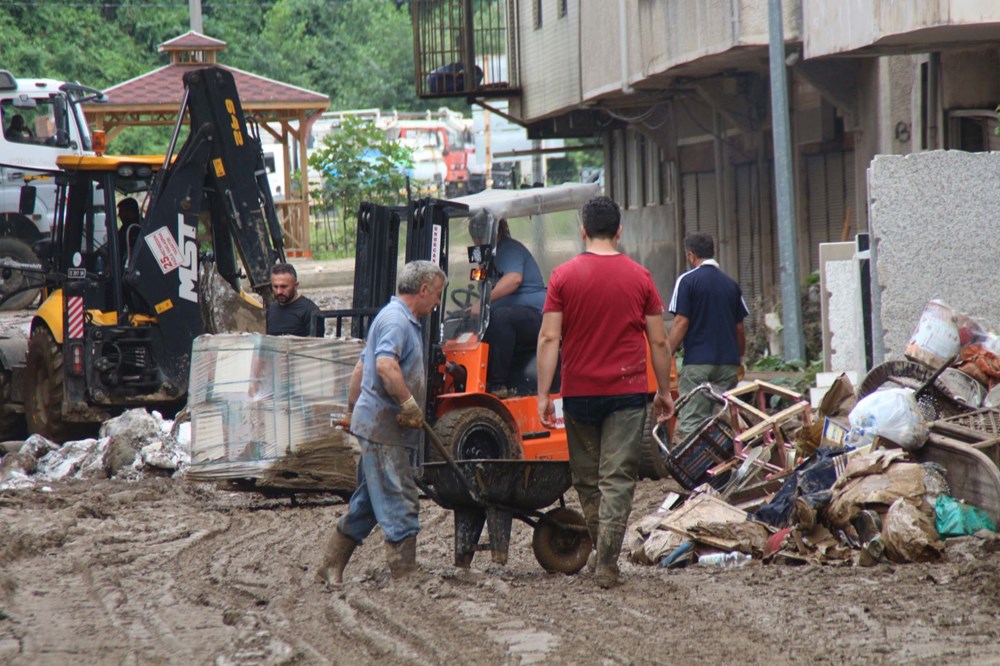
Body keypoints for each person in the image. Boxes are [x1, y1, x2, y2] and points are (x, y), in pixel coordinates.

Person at [536, 196, 675, 589]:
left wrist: (544, 394)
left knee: (588, 478)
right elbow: (659, 342)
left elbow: (549, 337)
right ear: (619, 231)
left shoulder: (562, 277)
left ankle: (605, 552)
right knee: (618, 478)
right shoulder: (641, 277)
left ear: (583, 231)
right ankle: (608, 562)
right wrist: (663, 391)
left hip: (578, 392)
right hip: (629, 391)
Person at [316, 260, 447, 589]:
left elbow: (362, 369)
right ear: (423, 290)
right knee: (400, 494)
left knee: (370, 500)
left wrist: (352, 409)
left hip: (373, 422)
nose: (437, 302)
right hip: (382, 427)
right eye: (437, 295)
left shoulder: (393, 319)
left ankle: (330, 565)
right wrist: (409, 404)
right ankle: (404, 573)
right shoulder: (396, 321)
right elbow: (385, 366)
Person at [667, 232, 749, 443]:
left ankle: (698, 470)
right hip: (728, 365)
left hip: (698, 365)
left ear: (691, 255)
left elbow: (681, 322)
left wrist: (666, 352)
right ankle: (725, 467)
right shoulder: (731, 285)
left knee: (693, 421)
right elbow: (739, 328)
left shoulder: (687, 281)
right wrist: (738, 356)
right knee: (725, 419)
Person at [482, 219, 546, 397]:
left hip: (538, 315)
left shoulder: (508, 249)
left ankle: (498, 385)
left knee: (501, 317)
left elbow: (514, 279)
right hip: (518, 316)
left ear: (498, 231)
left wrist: (483, 303)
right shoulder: (490, 257)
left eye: (481, 229)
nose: (477, 235)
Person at [266, 263, 320, 336]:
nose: (279, 291)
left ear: (295, 285)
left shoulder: (310, 310)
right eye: (275, 287)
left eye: (284, 287)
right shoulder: (271, 308)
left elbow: (317, 343)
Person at [116, 197, 142, 264]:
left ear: (130, 212)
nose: (118, 215)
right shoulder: (126, 227)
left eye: (121, 211)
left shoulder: (134, 228)